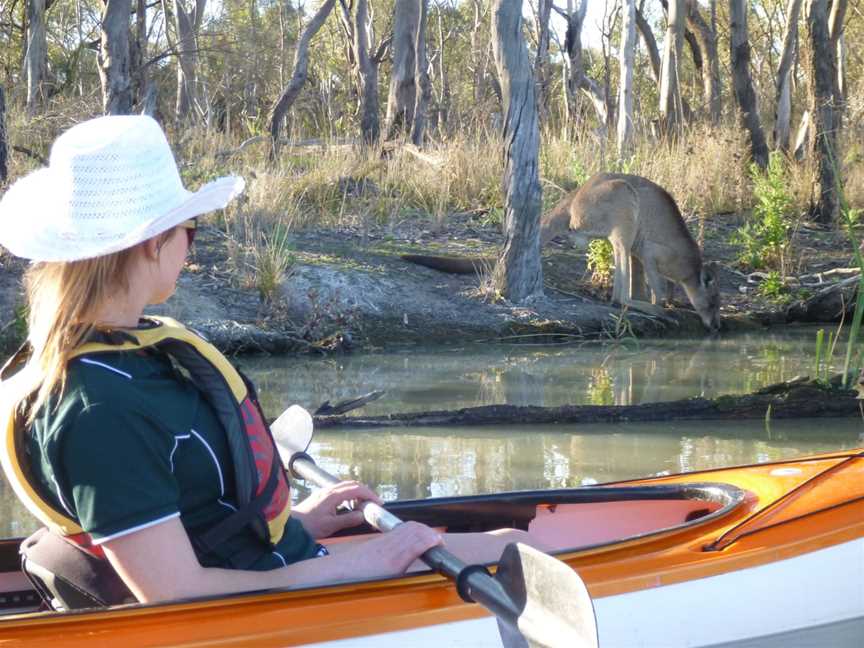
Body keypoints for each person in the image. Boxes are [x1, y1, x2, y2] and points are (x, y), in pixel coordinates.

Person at [0, 115, 539, 606]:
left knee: (513, 540)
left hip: (273, 561)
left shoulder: (126, 351)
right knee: (518, 548)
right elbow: (174, 593)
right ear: (151, 244)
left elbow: (191, 517)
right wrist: (365, 563)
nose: (191, 247)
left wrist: (297, 520)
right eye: (190, 231)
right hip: (275, 602)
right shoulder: (98, 407)